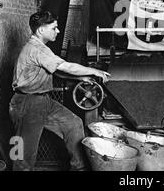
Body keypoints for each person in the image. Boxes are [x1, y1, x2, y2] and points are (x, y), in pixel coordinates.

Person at [9, 11, 110, 171]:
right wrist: (93, 71)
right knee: (23, 153)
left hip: (43, 101)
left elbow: (55, 70)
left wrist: (80, 78)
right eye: (54, 28)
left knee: (73, 124)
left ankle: (79, 167)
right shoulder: (37, 49)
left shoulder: (41, 48)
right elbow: (66, 66)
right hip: (27, 103)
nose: (58, 31)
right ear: (41, 30)